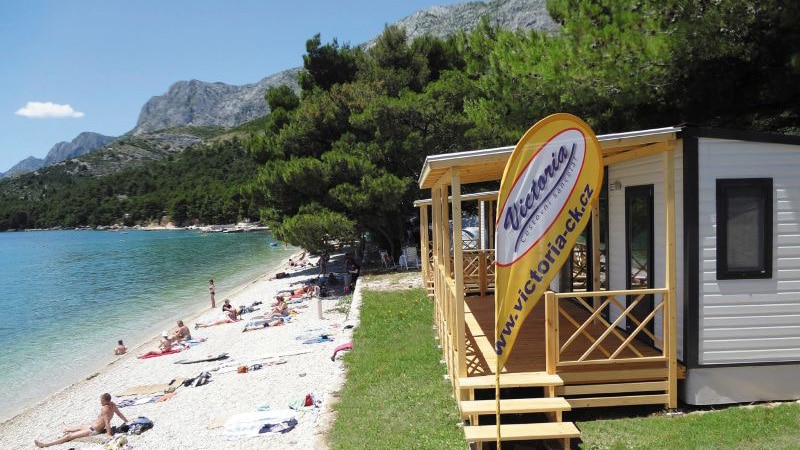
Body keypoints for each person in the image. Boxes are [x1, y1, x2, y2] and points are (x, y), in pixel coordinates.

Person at [34, 393, 128, 448]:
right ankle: (67, 428)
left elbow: (107, 422)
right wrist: (126, 420)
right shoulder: (112, 404)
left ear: (105, 400)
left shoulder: (105, 408)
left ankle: (45, 444)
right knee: (80, 425)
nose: (100, 401)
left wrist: (109, 434)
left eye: (101, 400)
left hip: (93, 430)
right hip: (92, 426)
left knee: (69, 437)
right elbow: (119, 413)